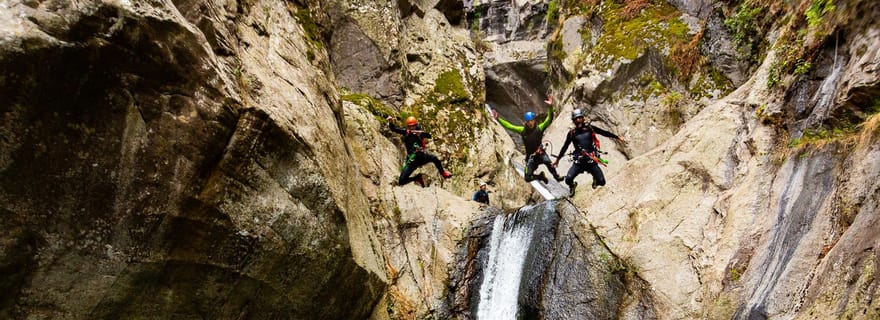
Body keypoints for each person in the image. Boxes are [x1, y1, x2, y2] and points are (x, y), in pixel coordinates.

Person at [553, 108, 625, 197]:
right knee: (568, 179)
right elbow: (565, 147)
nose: (578, 120)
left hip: (591, 160)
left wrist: (617, 137)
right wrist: (557, 160)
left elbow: (604, 133)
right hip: (579, 162)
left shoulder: (590, 128)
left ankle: (595, 178)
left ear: (583, 118)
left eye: (579, 118)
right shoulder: (572, 133)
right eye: (576, 119)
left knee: (602, 182)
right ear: (573, 121)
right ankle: (573, 186)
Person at [493, 96, 563, 184]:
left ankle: (556, 176)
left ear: (534, 120)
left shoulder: (539, 128)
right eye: (528, 121)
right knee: (527, 177)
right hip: (531, 157)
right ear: (526, 122)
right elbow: (509, 126)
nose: (530, 123)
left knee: (548, 162)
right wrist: (498, 119)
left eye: (532, 120)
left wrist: (550, 107)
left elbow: (549, 119)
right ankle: (540, 176)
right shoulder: (522, 130)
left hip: (540, 153)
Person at [387, 115, 452, 187]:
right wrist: (390, 122)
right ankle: (417, 178)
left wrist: (420, 133)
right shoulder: (406, 132)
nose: (412, 128)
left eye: (413, 126)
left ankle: (443, 173)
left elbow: (429, 136)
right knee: (401, 181)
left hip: (421, 156)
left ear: (416, 125)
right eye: (410, 126)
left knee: (434, 158)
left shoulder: (419, 132)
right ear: (408, 126)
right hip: (412, 160)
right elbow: (394, 129)